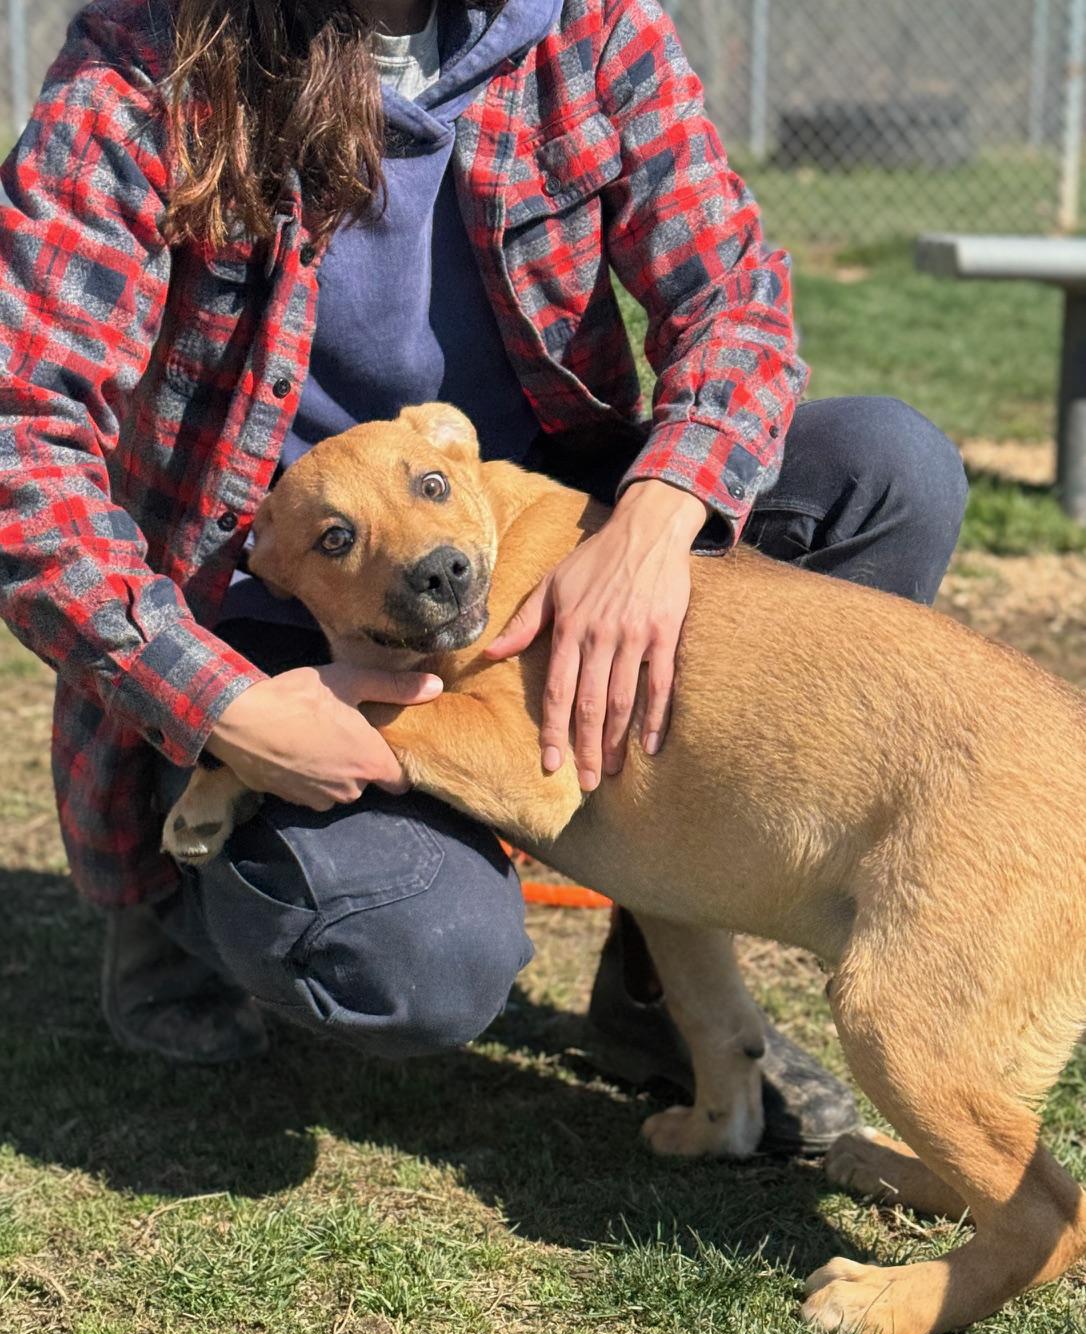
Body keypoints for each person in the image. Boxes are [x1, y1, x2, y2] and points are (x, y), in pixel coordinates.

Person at [0, 0, 966, 1152]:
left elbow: (736, 302)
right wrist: (224, 707)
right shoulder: (149, 64)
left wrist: (654, 527)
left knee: (885, 477)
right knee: (422, 954)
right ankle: (180, 890)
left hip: (537, 537)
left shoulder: (591, 29)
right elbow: (22, 436)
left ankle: (658, 984)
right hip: (266, 618)